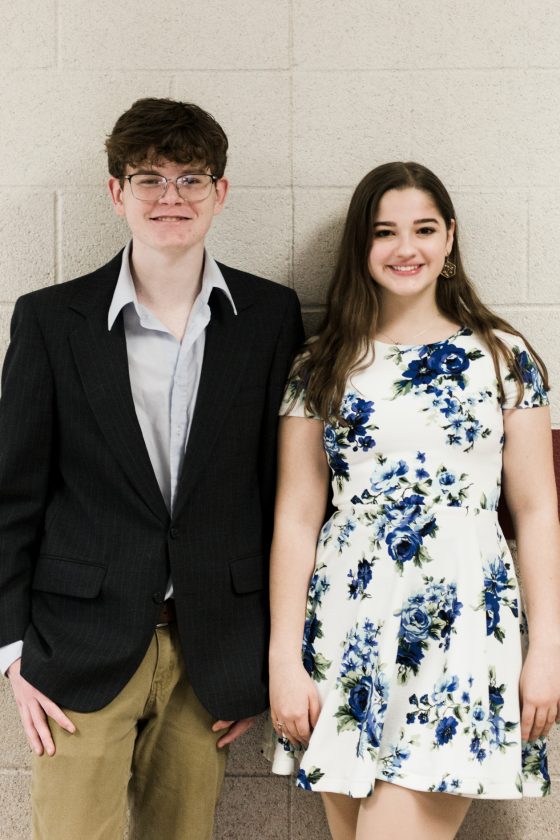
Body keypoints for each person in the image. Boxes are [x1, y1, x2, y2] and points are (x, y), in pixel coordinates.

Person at [0, 96, 303, 840]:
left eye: (191, 178)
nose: (172, 197)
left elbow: (280, 493)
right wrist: (12, 653)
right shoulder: (50, 319)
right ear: (117, 192)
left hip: (212, 653)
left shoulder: (269, 317)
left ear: (220, 192)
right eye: (149, 179)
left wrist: (263, 655)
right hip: (77, 648)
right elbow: (12, 496)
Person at [268, 161, 560, 840]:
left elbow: (538, 513)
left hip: (461, 631)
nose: (407, 248)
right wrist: (284, 660)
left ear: (449, 237)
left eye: (424, 229)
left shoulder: (503, 357)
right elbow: (296, 518)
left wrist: (546, 647)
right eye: (385, 232)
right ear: (361, 245)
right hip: (343, 628)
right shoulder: (321, 364)